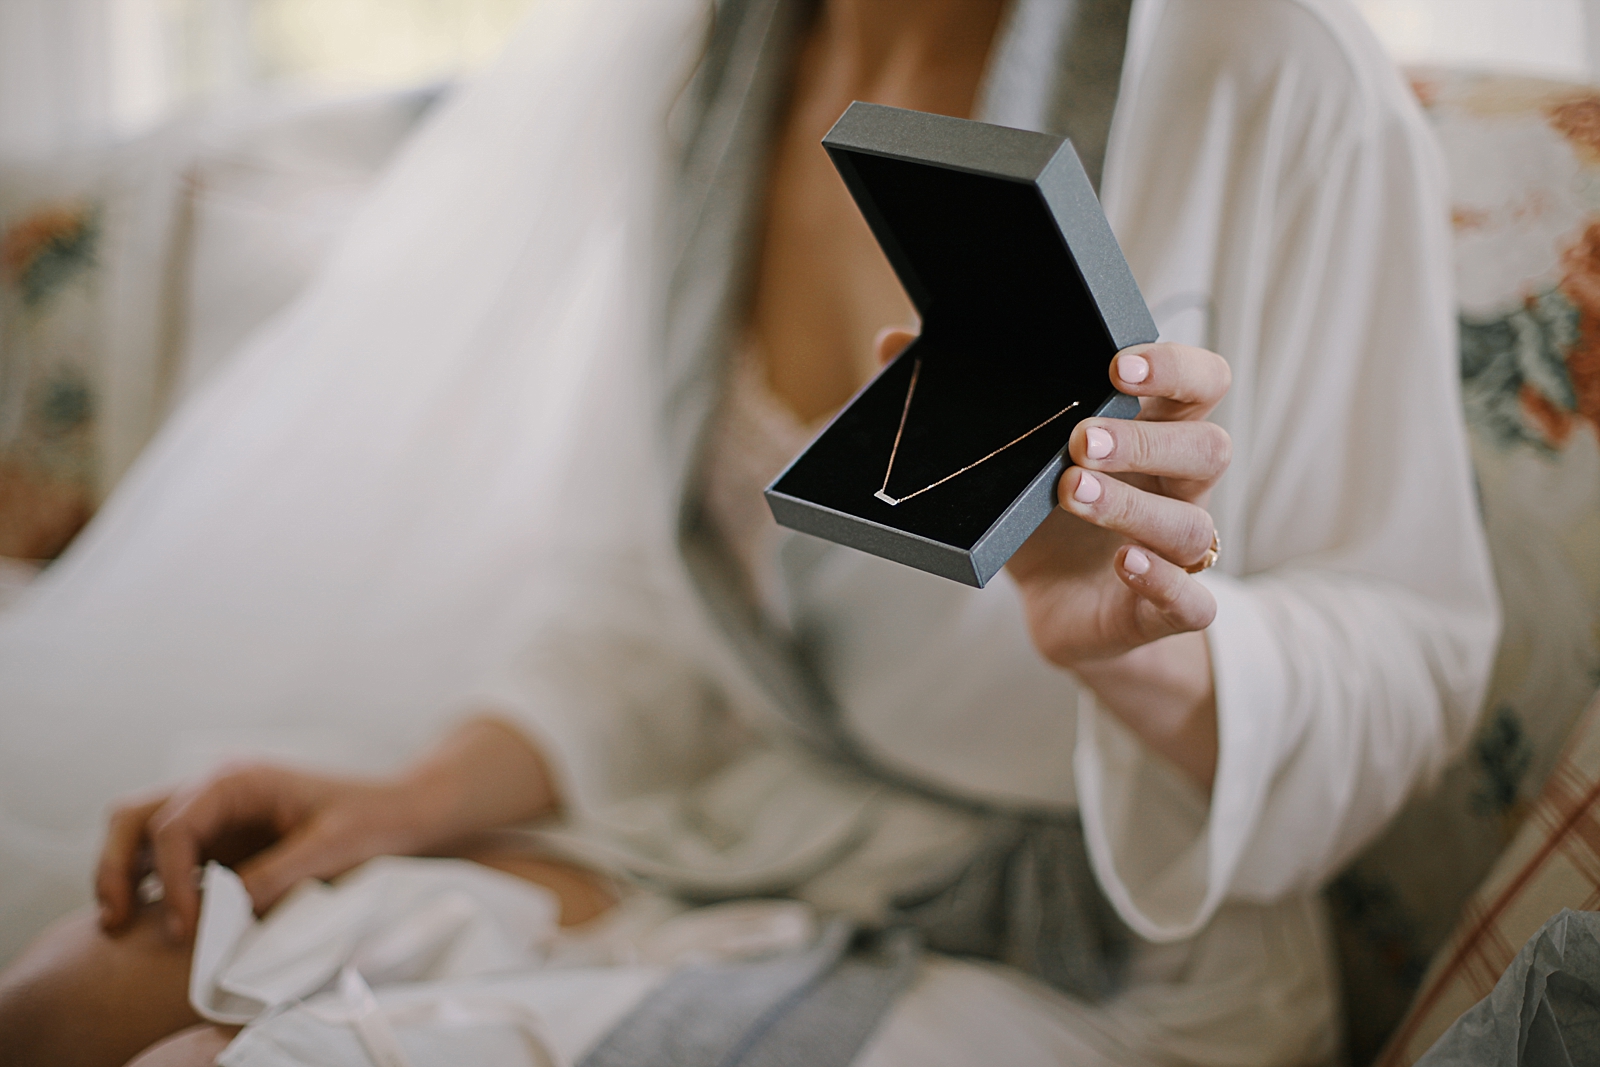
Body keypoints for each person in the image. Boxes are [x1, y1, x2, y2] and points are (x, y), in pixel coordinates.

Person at [0, 0, 1498, 1063]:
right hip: (735, 828)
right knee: (72, 1004)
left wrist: (1134, 649)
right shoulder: (697, 64)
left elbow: (1417, 649)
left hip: (1094, 942)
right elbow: (660, 607)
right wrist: (403, 797)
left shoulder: (1271, 70)